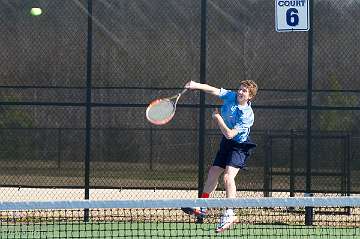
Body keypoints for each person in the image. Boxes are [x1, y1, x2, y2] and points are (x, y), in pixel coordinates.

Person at [181, 80, 258, 233]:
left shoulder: (247, 115)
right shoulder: (231, 96)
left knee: (228, 178)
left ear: (250, 97)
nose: (240, 92)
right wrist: (196, 85)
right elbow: (213, 90)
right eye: (240, 89)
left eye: (244, 91)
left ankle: (230, 213)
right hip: (227, 143)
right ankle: (202, 206)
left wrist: (218, 118)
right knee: (213, 172)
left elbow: (229, 134)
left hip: (239, 146)